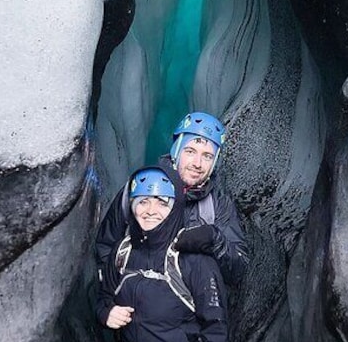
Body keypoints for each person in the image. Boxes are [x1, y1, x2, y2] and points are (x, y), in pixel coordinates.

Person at [96, 166, 228, 342]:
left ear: (174, 207)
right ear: (132, 205)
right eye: (143, 200)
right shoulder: (123, 252)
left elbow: (216, 338)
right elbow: (103, 295)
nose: (150, 209)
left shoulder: (195, 262)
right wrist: (105, 312)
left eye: (161, 202)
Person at [96, 112, 248, 288]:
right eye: (190, 151)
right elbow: (105, 249)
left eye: (207, 156)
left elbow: (238, 270)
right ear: (176, 150)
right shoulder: (139, 189)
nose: (198, 163)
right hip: (134, 306)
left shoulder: (218, 205)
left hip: (191, 309)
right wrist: (109, 303)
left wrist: (216, 241)